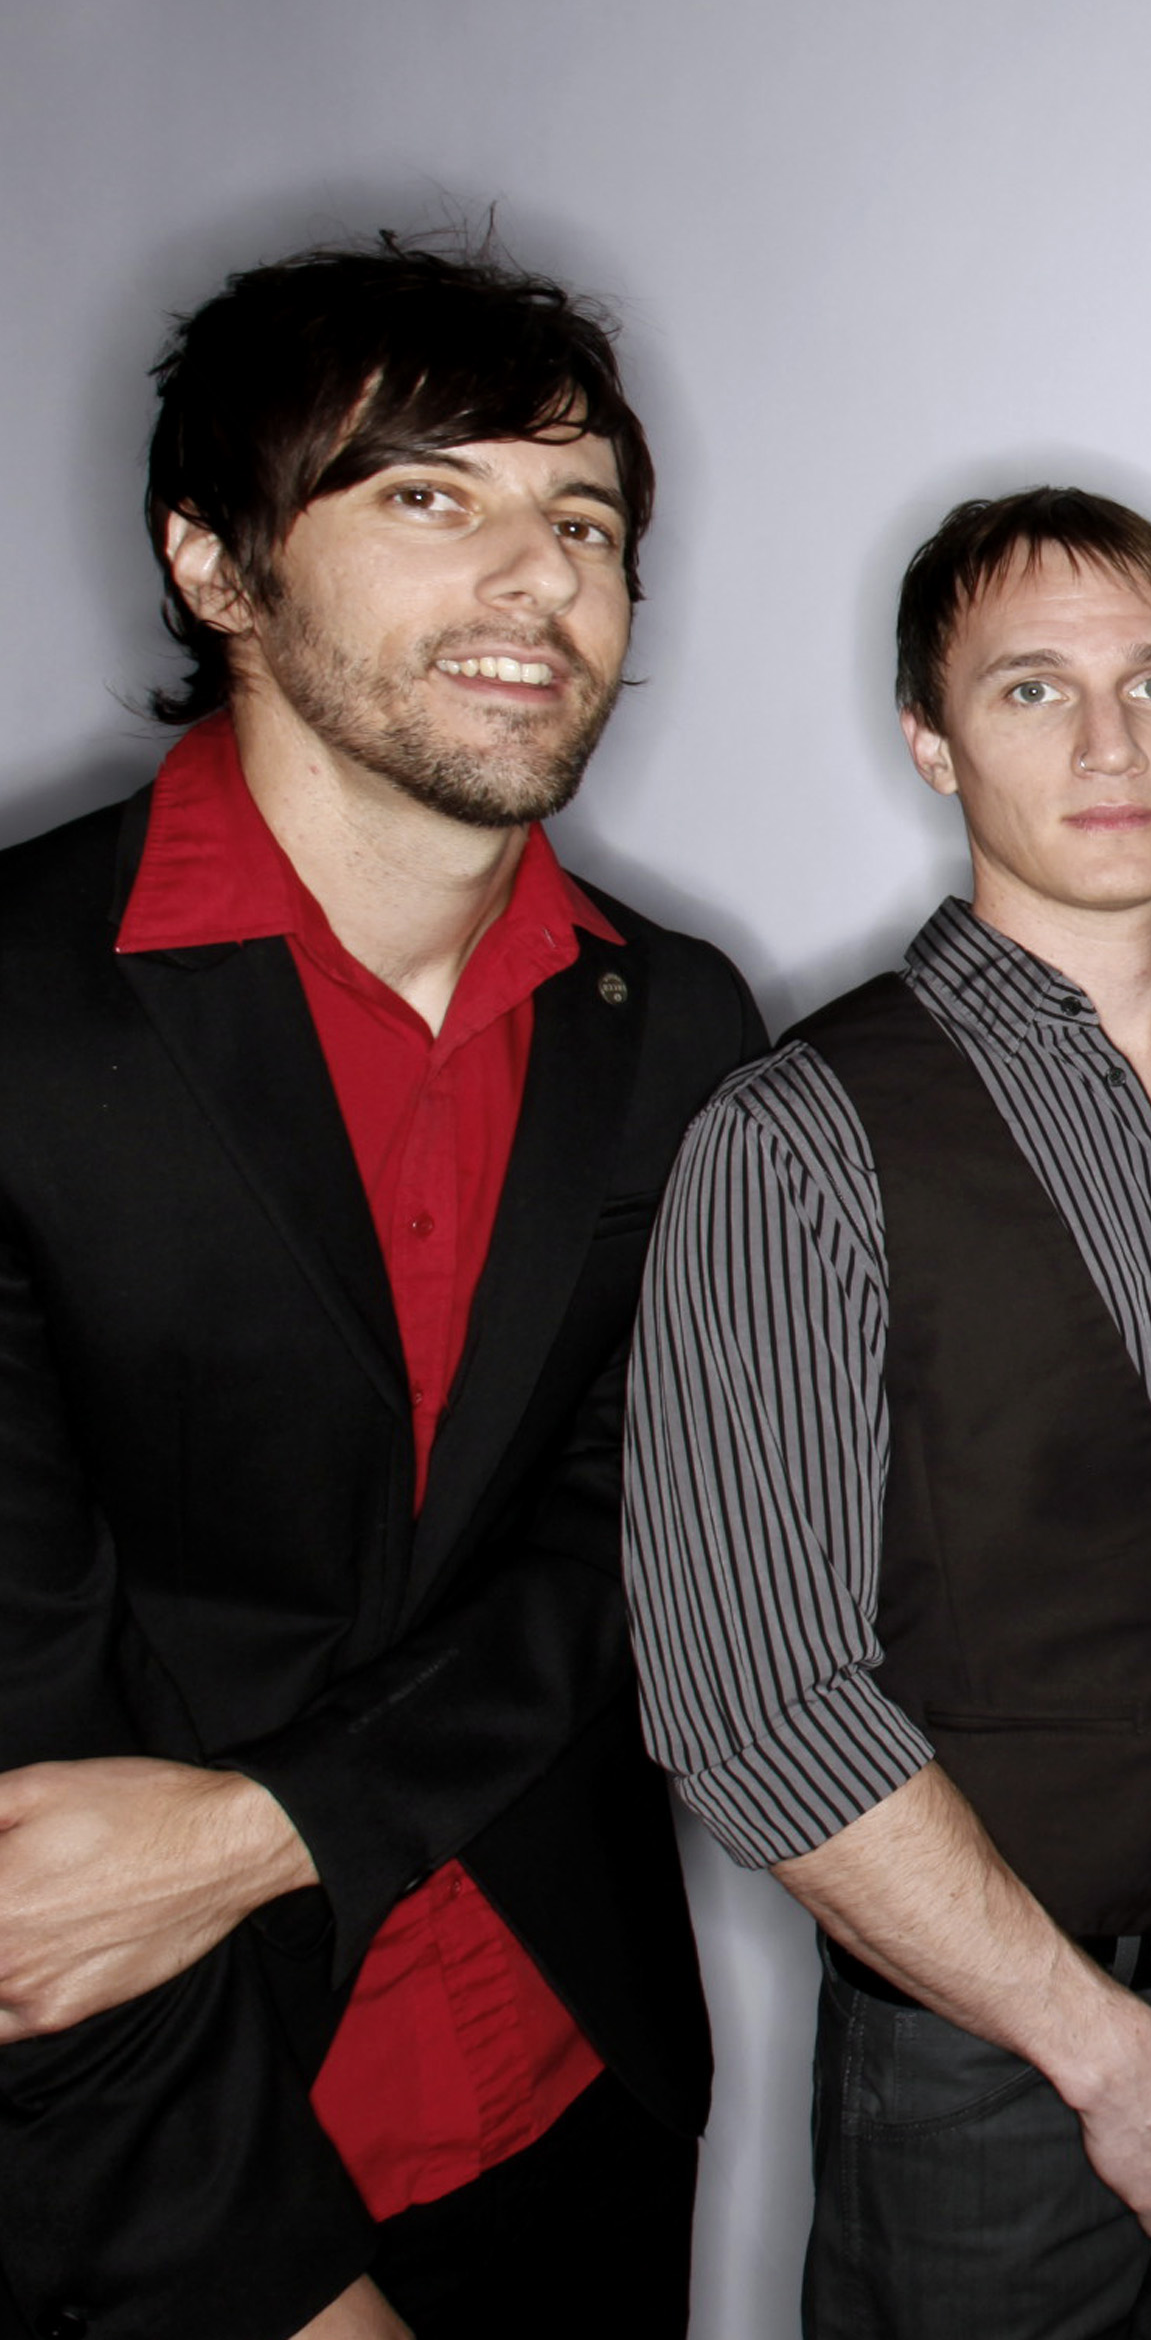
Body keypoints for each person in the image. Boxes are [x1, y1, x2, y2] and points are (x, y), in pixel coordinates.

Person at [0, 235, 758, 2340]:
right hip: (144, 2160)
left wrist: (275, 1823)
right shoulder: (19, 1023)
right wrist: (256, 2282)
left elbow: (642, 1540)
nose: (538, 578)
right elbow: (29, 1837)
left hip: (575, 2083)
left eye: (583, 521)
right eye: (430, 495)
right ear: (213, 564)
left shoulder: (678, 1023)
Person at [620, 488, 1151, 2340]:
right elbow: (749, 1697)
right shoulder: (797, 1141)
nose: (1109, 742)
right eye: (1033, 690)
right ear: (931, 740)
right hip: (987, 2090)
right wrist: (1110, 2054)